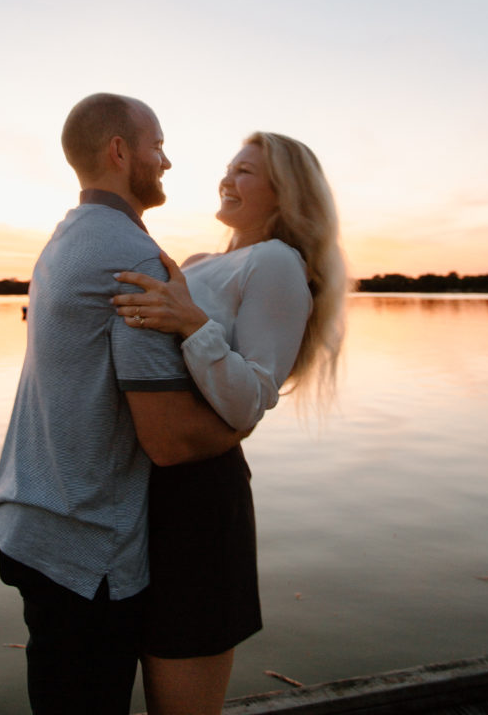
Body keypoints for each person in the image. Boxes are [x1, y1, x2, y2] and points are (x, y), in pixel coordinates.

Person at [0, 93, 245, 715]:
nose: (168, 160)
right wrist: (248, 411)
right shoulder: (129, 256)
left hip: (34, 525)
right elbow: (168, 439)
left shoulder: (67, 237)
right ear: (119, 151)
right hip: (84, 551)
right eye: (157, 145)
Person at [111, 132, 346, 715]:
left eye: (245, 171)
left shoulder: (277, 263)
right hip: (132, 491)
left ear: (285, 194)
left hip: (199, 502)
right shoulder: (200, 263)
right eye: (229, 167)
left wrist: (193, 324)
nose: (227, 179)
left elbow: (251, 401)